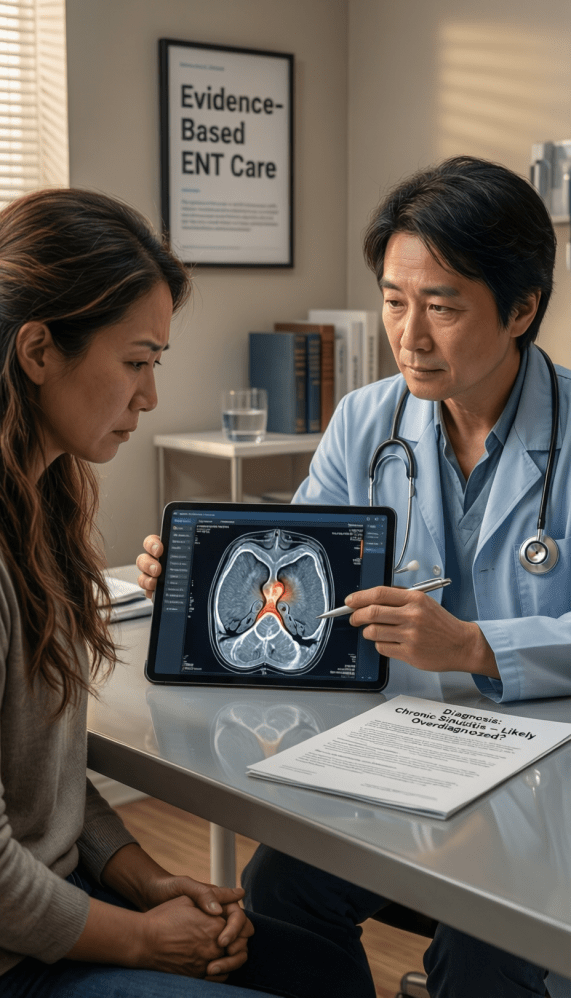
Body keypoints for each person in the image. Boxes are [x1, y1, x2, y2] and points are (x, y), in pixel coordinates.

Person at [138, 156, 570, 997]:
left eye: (441, 306)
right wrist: (201, 584)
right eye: (394, 299)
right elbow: (307, 589)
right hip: (402, 756)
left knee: (484, 951)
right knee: (277, 892)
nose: (408, 335)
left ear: (521, 309)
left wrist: (480, 645)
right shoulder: (366, 418)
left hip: (545, 782)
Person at [0, 187, 377, 998]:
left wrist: (143, 879)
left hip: (54, 910)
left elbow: (47, 789)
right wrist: (137, 939)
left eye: (155, 365)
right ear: (37, 350)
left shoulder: (45, 519)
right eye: (135, 362)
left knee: (318, 969)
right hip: (14, 955)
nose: (150, 397)